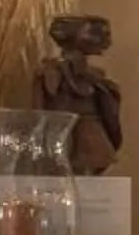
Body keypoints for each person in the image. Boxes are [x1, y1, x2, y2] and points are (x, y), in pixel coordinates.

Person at [34, 14, 121, 176]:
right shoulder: (52, 72)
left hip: (88, 128)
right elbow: (41, 110)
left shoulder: (95, 77)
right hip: (64, 131)